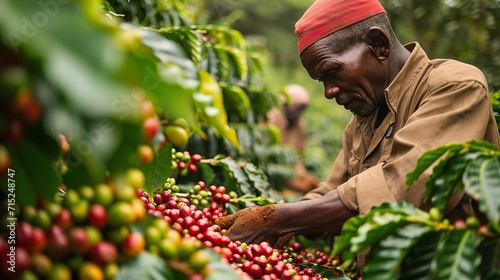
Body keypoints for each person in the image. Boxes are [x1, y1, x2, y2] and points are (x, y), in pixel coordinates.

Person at [215, 0, 500, 272]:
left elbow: (402, 188)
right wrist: (264, 217)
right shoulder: (362, 120)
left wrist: (277, 219)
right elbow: (333, 192)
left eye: (332, 72)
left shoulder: (455, 86)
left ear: (378, 45)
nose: (329, 92)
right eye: (321, 81)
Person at [266, 84, 320, 193]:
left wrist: (302, 177)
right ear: (286, 104)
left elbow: (297, 157)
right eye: (297, 108)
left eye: (302, 109)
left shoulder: (299, 125)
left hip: (288, 174)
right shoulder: (271, 119)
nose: (299, 113)